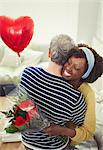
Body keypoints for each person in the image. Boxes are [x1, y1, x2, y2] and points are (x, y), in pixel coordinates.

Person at [19, 34, 87, 150]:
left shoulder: (27, 73)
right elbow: (80, 124)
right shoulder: (75, 96)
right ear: (68, 60)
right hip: (55, 147)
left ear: (49, 53)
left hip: (28, 142)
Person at [43, 43, 103, 148]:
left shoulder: (87, 94)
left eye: (77, 68)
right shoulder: (57, 76)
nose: (68, 68)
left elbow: (88, 132)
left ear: (85, 74)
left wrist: (62, 131)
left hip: (69, 142)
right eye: (68, 62)